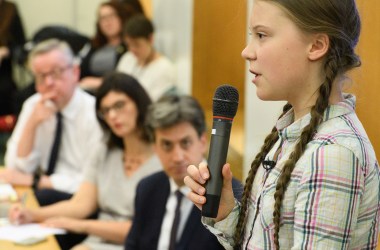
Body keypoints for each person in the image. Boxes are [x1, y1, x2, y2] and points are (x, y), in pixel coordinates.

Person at [185, 0, 380, 249]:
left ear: (317, 45)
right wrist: (226, 213)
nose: (247, 51)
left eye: (262, 35)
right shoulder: (293, 133)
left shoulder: (331, 155)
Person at [9, 72, 162, 250]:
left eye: (119, 105)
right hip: (97, 242)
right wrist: (32, 214)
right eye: (105, 110)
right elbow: (81, 204)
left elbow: (143, 230)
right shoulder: (105, 151)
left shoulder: (162, 157)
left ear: (139, 103)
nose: (112, 115)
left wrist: (81, 225)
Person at [125, 95, 243, 249]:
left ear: (202, 142)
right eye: (167, 145)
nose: (177, 157)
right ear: (155, 147)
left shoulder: (233, 196)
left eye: (185, 143)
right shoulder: (147, 188)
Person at [2, 39, 103, 206]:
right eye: (41, 76)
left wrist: (38, 182)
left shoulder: (93, 113)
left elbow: (91, 181)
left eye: (56, 73)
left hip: (77, 200)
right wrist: (31, 124)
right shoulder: (34, 105)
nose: (49, 83)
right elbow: (14, 168)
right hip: (38, 194)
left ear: (75, 73)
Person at [79, 0, 142, 92]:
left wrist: (100, 82)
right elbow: (80, 69)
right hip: (85, 91)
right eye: (103, 18)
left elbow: (129, 78)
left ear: (121, 18)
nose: (107, 22)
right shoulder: (93, 45)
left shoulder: (129, 47)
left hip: (114, 91)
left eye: (111, 16)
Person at [117, 15, 177, 101]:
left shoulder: (165, 68)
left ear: (151, 39)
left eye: (136, 44)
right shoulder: (127, 58)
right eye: (128, 45)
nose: (132, 49)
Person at [0, 0, 26, 116]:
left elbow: (21, 43)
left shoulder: (10, 9)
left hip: (3, 70)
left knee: (5, 91)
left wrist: (6, 51)